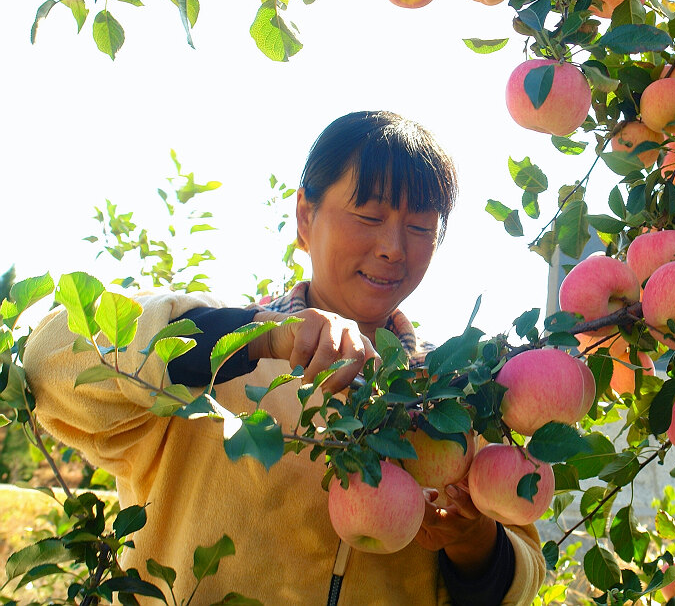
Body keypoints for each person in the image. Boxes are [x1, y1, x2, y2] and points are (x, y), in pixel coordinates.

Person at [23, 111, 546, 606]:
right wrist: (260, 339)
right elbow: (51, 364)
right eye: (369, 215)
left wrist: (473, 540)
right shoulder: (217, 357)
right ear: (304, 217)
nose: (393, 247)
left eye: (420, 228)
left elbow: (519, 576)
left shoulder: (451, 399)